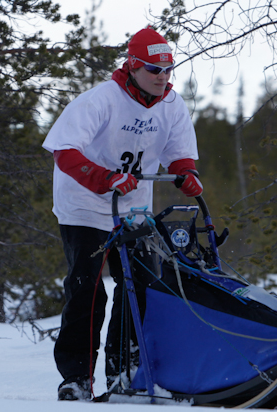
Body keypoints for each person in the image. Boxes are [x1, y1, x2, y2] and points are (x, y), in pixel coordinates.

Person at [42, 26, 202, 401]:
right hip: (85, 205)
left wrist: (187, 174)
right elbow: (65, 151)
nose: (162, 77)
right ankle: (77, 378)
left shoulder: (171, 105)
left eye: (168, 70)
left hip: (134, 208)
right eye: (154, 69)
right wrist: (105, 177)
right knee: (87, 289)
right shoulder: (101, 100)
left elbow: (179, 153)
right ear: (132, 66)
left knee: (140, 287)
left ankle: (126, 373)